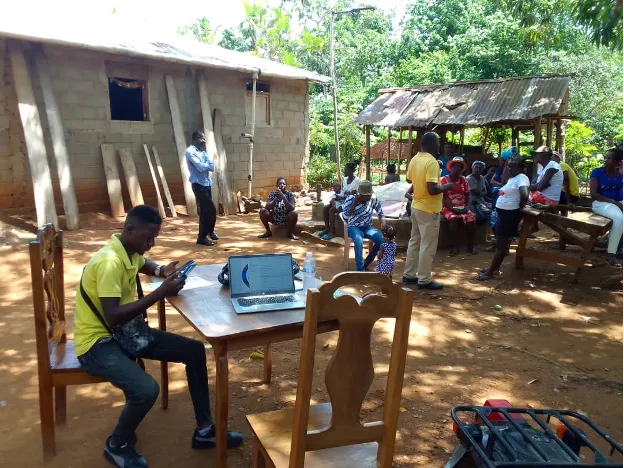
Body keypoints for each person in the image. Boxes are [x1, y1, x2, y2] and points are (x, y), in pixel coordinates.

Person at [74, 205, 244, 468]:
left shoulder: (129, 251)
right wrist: (159, 293)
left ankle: (204, 430)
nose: (151, 244)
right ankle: (117, 444)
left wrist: (160, 271)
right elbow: (113, 316)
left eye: (155, 237)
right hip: (98, 343)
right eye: (148, 238)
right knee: (145, 389)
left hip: (126, 333)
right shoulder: (109, 262)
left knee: (195, 351)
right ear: (129, 229)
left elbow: (144, 263)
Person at [402, 132, 455, 289]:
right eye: (438, 143)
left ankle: (409, 275)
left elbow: (409, 179)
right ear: (432, 144)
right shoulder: (431, 162)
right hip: (429, 209)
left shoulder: (415, 159)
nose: (439, 146)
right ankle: (424, 279)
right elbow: (432, 189)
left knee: (415, 241)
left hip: (416, 206)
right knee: (428, 245)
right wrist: (447, 186)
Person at [477, 154, 530, 280]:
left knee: (501, 246)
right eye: (508, 166)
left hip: (509, 215)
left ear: (520, 167)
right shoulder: (514, 178)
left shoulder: (522, 178)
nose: (509, 169)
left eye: (512, 167)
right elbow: (505, 183)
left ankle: (490, 272)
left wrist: (520, 206)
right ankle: (494, 269)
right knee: (502, 245)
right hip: (505, 214)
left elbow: (525, 194)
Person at [590, 148, 624, 268]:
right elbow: (593, 194)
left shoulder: (621, 173)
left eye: (609, 158)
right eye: (605, 157)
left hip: (619, 203)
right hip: (601, 204)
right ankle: (611, 255)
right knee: (620, 218)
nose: (605, 160)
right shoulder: (597, 172)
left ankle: (619, 246)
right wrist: (613, 202)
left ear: (617, 162)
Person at [343, 180, 386, 271]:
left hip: (368, 227)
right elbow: (345, 216)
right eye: (368, 195)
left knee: (380, 239)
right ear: (361, 194)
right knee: (358, 239)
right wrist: (355, 204)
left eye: (370, 194)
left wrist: (383, 223)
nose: (370, 196)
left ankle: (367, 262)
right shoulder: (350, 199)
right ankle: (360, 268)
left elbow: (380, 213)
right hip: (353, 226)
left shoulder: (373, 199)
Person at [186, 131, 218, 247]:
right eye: (202, 139)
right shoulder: (190, 151)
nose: (203, 142)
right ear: (195, 138)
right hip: (198, 185)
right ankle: (202, 237)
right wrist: (206, 166)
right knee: (207, 210)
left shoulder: (202, 151)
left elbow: (212, 166)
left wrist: (205, 165)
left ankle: (210, 231)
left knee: (211, 210)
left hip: (206, 183)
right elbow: (200, 168)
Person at [441, 157, 477, 256]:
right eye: (455, 166)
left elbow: (468, 194)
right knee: (452, 220)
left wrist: (467, 207)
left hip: (462, 207)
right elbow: (443, 197)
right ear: (450, 168)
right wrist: (452, 208)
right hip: (448, 207)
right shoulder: (444, 179)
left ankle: (471, 246)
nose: (457, 168)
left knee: (471, 220)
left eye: (459, 167)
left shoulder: (463, 180)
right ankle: (454, 247)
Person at [322, 162, 360, 238]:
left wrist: (340, 198)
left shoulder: (357, 181)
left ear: (351, 171)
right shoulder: (345, 179)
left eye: (346, 170)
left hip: (350, 204)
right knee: (325, 208)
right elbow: (344, 192)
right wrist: (336, 198)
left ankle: (332, 233)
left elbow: (354, 196)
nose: (344, 171)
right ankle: (327, 228)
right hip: (342, 201)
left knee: (332, 210)